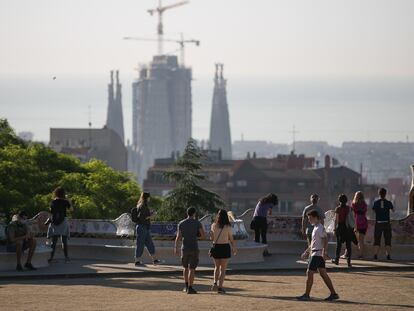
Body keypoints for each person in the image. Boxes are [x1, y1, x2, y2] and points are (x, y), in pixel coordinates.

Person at [297, 210, 339, 301]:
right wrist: (307, 251)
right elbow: (313, 243)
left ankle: (306, 295)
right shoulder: (316, 227)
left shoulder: (319, 227)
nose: (309, 220)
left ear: (316, 217)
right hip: (316, 253)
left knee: (309, 273)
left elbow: (325, 239)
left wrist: (324, 252)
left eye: (310, 218)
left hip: (317, 254)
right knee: (323, 274)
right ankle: (334, 294)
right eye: (308, 219)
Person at [174, 207, 206, 294]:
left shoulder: (181, 223)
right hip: (194, 247)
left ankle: (186, 286)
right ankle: (190, 287)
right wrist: (196, 236)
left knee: (185, 267)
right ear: (194, 213)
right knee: (192, 269)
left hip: (184, 248)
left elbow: (178, 237)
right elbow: (203, 236)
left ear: (187, 213)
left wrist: (176, 248)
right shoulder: (197, 223)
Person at [210, 209, 237, 294]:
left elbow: (212, 238)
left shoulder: (213, 225)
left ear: (218, 216)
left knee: (216, 267)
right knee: (223, 269)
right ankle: (220, 287)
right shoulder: (228, 227)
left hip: (216, 247)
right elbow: (231, 239)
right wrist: (234, 247)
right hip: (225, 247)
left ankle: (215, 283)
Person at [131, 192, 160, 265]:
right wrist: (152, 216)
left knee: (150, 243)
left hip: (144, 227)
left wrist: (150, 213)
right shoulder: (143, 205)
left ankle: (155, 259)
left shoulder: (142, 205)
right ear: (147, 198)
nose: (150, 199)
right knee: (140, 244)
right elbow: (142, 218)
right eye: (149, 197)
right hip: (142, 227)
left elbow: (144, 215)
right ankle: (137, 261)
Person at [47, 187, 71, 263]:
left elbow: (51, 212)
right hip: (63, 221)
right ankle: (66, 258)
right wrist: (69, 200)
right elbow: (71, 209)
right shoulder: (65, 201)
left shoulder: (53, 201)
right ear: (63, 193)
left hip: (55, 222)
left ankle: (51, 258)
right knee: (64, 241)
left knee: (54, 241)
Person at [332, 194, 354, 267]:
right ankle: (349, 262)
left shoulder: (338, 209)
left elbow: (336, 220)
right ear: (346, 200)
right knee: (348, 245)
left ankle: (337, 260)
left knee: (339, 245)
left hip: (340, 227)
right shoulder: (349, 208)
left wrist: (335, 229)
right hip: (348, 228)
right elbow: (351, 219)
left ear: (339, 200)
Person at [372, 188, 394, 260]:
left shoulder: (376, 202)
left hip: (378, 223)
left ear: (379, 194)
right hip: (387, 223)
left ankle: (375, 255)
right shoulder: (388, 202)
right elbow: (393, 210)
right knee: (388, 239)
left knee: (377, 239)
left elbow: (373, 211)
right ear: (385, 194)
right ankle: (388, 255)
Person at [351, 191, 368, 259]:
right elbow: (365, 211)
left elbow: (352, 214)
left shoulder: (353, 204)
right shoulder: (364, 204)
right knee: (361, 240)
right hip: (363, 222)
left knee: (355, 240)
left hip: (356, 223)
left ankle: (356, 253)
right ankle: (361, 254)